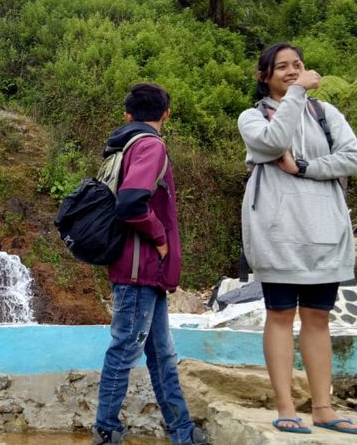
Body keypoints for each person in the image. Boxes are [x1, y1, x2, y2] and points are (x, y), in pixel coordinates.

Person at [238, 43, 357, 435]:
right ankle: (285, 407)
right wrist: (296, 94)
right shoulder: (251, 117)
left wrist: (306, 167)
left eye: (298, 65)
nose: (292, 71)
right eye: (282, 67)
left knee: (318, 318)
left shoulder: (327, 114)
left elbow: (352, 158)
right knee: (279, 316)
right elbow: (275, 142)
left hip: (323, 231)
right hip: (278, 233)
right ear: (265, 76)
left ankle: (324, 408)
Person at [93, 83, 207, 445]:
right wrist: (159, 239)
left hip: (143, 273)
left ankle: (182, 433)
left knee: (161, 355)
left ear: (127, 114)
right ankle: (106, 431)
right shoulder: (150, 145)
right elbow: (130, 203)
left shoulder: (125, 145)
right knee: (125, 348)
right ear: (166, 115)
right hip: (140, 269)